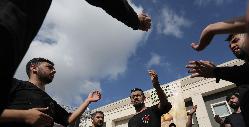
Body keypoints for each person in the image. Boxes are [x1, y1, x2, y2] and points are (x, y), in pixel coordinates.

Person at [0, 0, 152, 114]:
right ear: (33, 67)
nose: (54, 71)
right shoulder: (17, 86)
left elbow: (67, 120)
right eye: (49, 67)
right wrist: (24, 116)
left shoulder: (47, 101)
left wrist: (88, 100)